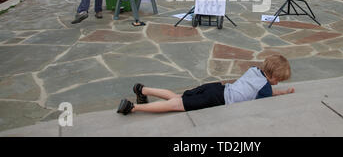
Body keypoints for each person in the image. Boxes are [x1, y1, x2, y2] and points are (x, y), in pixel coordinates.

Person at [117, 54, 294, 115]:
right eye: (277, 79)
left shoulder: (254, 70)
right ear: (271, 75)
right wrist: (283, 93)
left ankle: (142, 89)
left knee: (179, 98)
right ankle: (133, 108)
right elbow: (268, 95)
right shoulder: (265, 88)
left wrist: (283, 91)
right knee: (176, 105)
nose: (277, 83)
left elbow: (265, 90)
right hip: (217, 98)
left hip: (217, 88)